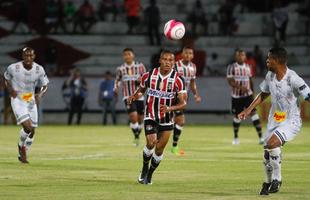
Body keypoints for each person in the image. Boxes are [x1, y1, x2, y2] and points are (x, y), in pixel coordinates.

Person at [238, 47, 310, 195]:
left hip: (291, 120)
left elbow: (308, 95)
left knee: (271, 144)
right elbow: (263, 94)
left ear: (277, 61)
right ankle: (267, 182)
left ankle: (278, 178)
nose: (267, 61)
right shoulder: (270, 75)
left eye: (269, 58)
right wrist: (248, 109)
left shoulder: (293, 78)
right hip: (275, 118)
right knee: (267, 153)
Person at [127, 50, 187, 185]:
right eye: (165, 59)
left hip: (167, 119)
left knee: (159, 149)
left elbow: (183, 103)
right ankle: (144, 168)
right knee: (151, 143)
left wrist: (169, 108)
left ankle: (149, 174)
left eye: (171, 60)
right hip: (151, 116)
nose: (167, 62)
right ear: (160, 60)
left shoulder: (178, 80)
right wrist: (134, 96)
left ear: (174, 62)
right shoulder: (149, 75)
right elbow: (141, 90)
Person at [3, 47, 49, 163]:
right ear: (22, 57)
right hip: (18, 99)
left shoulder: (39, 69)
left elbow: (45, 85)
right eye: (26, 55)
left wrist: (40, 94)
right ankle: (21, 146)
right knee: (27, 127)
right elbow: (6, 79)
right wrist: (10, 90)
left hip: (30, 99)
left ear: (34, 56)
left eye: (30, 55)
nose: (28, 58)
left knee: (32, 131)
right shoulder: (13, 68)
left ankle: (23, 150)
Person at [226, 49, 263, 145]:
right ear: (235, 57)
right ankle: (235, 137)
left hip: (248, 96)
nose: (241, 57)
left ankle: (261, 138)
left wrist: (253, 93)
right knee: (237, 116)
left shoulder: (248, 67)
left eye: (242, 55)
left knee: (254, 113)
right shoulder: (231, 67)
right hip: (236, 96)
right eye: (238, 55)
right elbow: (230, 81)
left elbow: (250, 80)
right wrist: (241, 88)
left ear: (245, 57)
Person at [171, 46, 201, 155]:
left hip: (184, 97)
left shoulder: (193, 67)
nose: (188, 55)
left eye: (190, 53)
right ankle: (170, 145)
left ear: (192, 55)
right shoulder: (175, 66)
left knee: (179, 121)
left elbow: (192, 83)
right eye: (186, 53)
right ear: (182, 54)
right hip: (172, 96)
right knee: (175, 121)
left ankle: (174, 146)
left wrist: (196, 95)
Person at [114, 48, 146, 146]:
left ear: (133, 55)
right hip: (127, 96)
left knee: (141, 119)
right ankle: (136, 137)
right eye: (125, 54)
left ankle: (137, 134)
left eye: (129, 54)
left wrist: (141, 80)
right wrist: (115, 88)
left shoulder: (140, 66)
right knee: (133, 117)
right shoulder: (121, 69)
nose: (127, 56)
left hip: (139, 96)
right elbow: (117, 80)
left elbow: (145, 78)